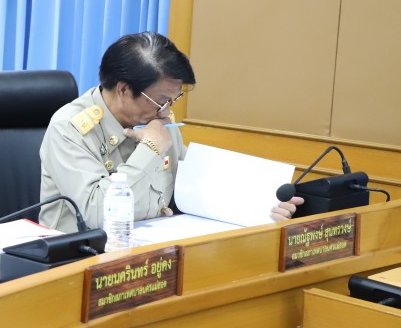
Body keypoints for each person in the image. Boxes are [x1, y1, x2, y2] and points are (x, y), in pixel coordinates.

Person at [38, 32, 302, 232]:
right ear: (123, 90)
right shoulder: (70, 128)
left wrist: (260, 204)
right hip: (78, 262)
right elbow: (97, 213)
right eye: (161, 100)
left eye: (172, 100)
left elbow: (192, 183)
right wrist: (150, 150)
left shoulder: (157, 119)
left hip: (151, 253)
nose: (166, 111)